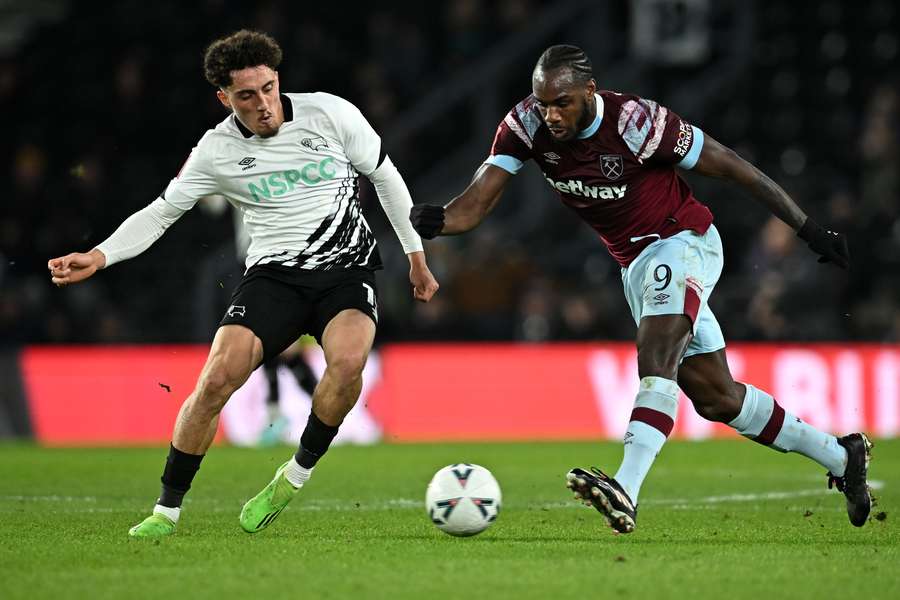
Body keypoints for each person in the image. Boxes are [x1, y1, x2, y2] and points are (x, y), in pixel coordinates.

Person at [410, 44, 871, 534]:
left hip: (682, 241)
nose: (551, 114)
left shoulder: (639, 124)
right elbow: (479, 196)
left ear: (589, 91)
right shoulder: (526, 124)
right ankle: (842, 457)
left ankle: (625, 488)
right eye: (543, 102)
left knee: (657, 356)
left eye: (561, 102)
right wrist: (441, 219)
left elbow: (734, 166)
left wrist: (808, 229)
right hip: (636, 265)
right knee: (716, 397)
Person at [48, 30, 439, 538]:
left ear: (280, 80)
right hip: (272, 279)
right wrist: (100, 255)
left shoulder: (332, 114)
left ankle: (294, 475)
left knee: (346, 364)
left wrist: (416, 256)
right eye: (247, 96)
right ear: (224, 98)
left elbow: (385, 176)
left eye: (269, 88)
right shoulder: (215, 150)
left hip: (347, 272)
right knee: (214, 381)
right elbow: (162, 213)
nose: (263, 104)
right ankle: (166, 510)